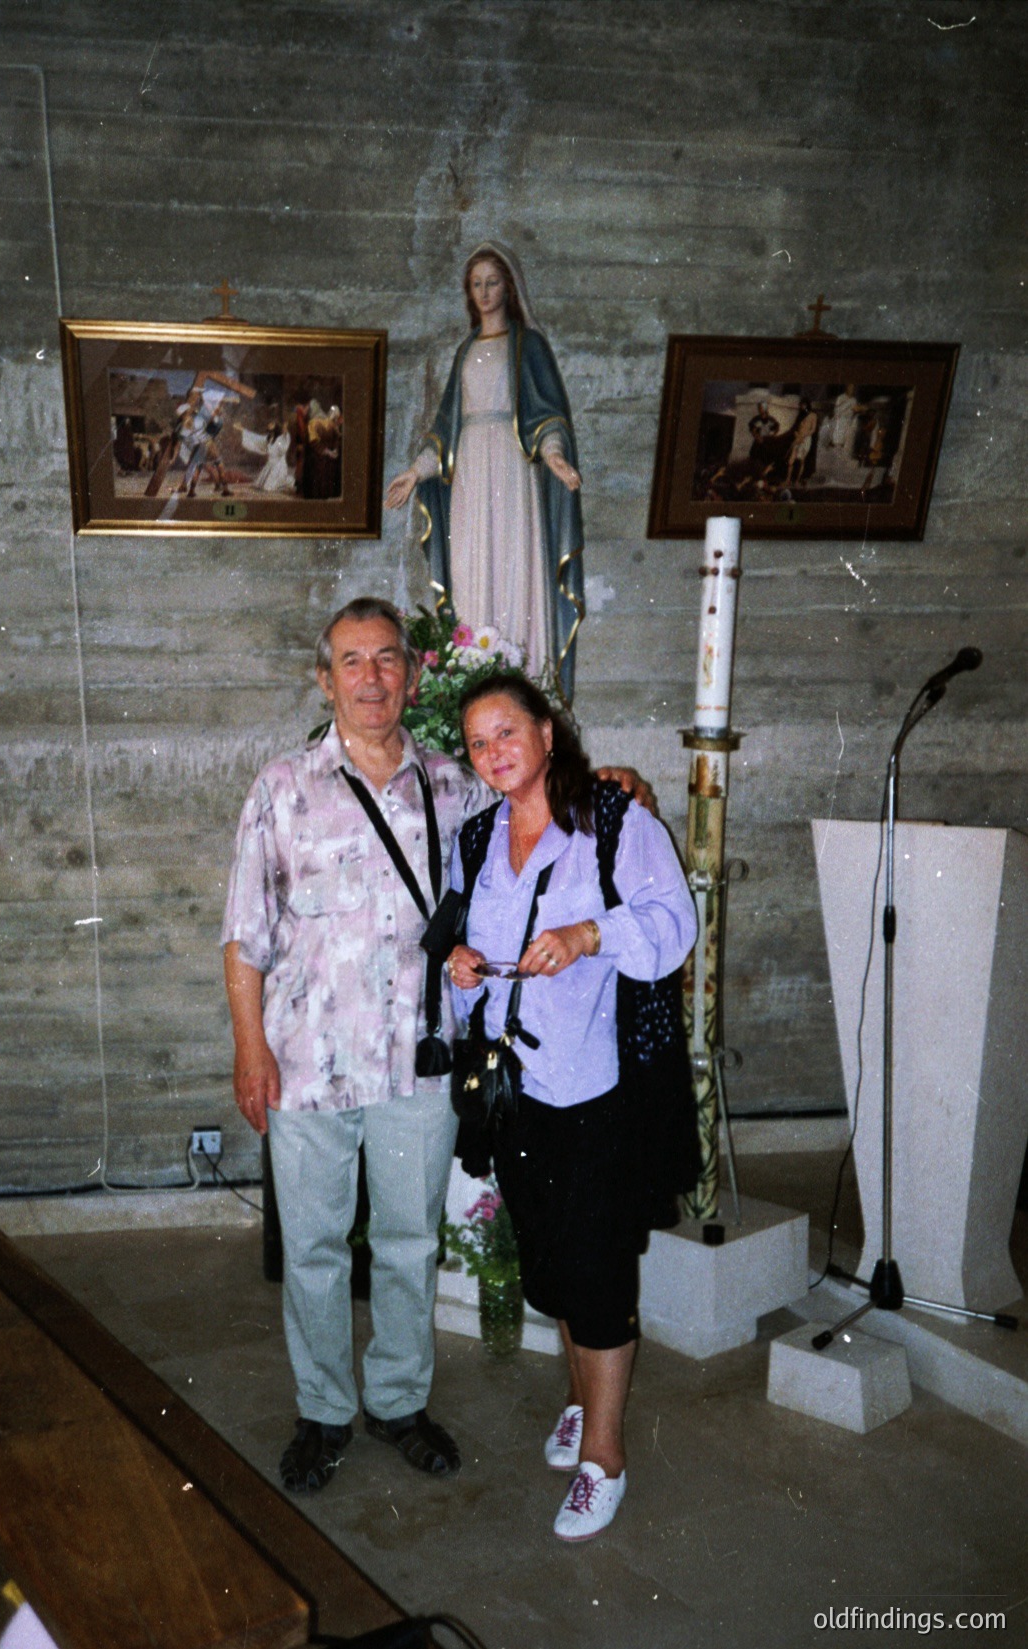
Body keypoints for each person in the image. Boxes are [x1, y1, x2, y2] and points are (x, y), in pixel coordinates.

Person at [221, 598, 658, 1501]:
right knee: (313, 1246)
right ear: (325, 679)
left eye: (387, 658)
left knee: (409, 1242)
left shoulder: (457, 787)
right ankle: (323, 1410)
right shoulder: (281, 788)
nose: (371, 676)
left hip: (415, 1062)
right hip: (305, 1061)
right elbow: (243, 934)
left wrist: (617, 783)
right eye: (352, 661)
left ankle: (397, 1400)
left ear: (412, 675)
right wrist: (249, 1048)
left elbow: (542, 805)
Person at [447, 674, 697, 1542]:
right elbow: (463, 944)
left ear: (546, 732)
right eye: (477, 742)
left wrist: (589, 934)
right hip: (518, 1095)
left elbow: (672, 922)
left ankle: (605, 1457)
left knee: (597, 1273)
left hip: (597, 1090)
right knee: (552, 1263)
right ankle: (581, 1398)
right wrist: (461, 964)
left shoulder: (613, 819)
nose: (493, 752)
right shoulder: (478, 836)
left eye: (506, 731)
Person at [384, 241, 584, 702]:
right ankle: (475, 686)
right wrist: (415, 472)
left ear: (508, 287)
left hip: (513, 469)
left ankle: (527, 688)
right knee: (472, 569)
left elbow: (547, 415)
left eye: (492, 282)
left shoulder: (528, 345)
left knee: (516, 566)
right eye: (477, 284)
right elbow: (446, 427)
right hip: (471, 472)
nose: (485, 292)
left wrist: (554, 455)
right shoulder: (466, 350)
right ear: (468, 292)